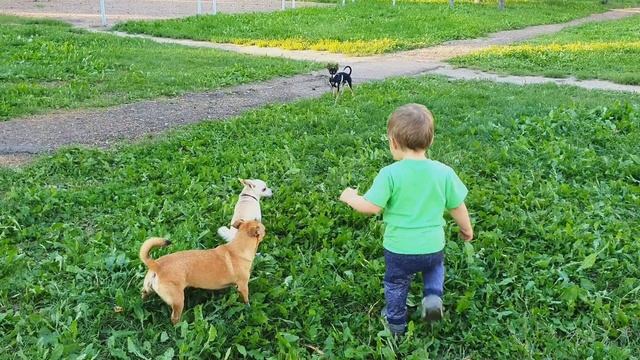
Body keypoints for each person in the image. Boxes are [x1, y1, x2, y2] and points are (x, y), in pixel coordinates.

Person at [339, 103, 473, 336]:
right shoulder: (444, 172)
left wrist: (350, 197)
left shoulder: (390, 174)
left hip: (399, 248)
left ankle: (396, 323)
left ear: (393, 142)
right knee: (435, 267)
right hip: (432, 244)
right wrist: (466, 229)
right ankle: (432, 296)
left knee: (396, 284)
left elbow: (370, 207)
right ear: (430, 141)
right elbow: (457, 206)